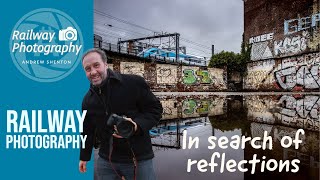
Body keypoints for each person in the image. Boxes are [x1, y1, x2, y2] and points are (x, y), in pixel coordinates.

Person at [79, 48, 163, 180]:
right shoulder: (87, 100)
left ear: (106, 64)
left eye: (96, 65)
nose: (93, 72)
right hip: (106, 161)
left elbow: (155, 110)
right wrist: (84, 157)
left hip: (138, 159)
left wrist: (136, 125)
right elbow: (86, 131)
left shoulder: (134, 83)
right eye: (88, 69)